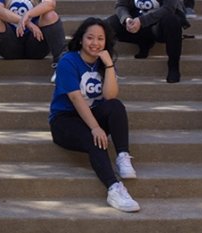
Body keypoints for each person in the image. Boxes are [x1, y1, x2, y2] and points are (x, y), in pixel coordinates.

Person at [48, 17, 140, 213]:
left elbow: (110, 96)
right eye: (90, 38)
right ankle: (114, 188)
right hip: (65, 121)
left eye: (100, 39)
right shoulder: (68, 61)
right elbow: (75, 98)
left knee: (116, 106)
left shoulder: (103, 62)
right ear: (81, 39)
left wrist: (108, 66)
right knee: (94, 138)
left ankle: (123, 156)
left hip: (91, 115)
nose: (95, 43)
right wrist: (96, 127)